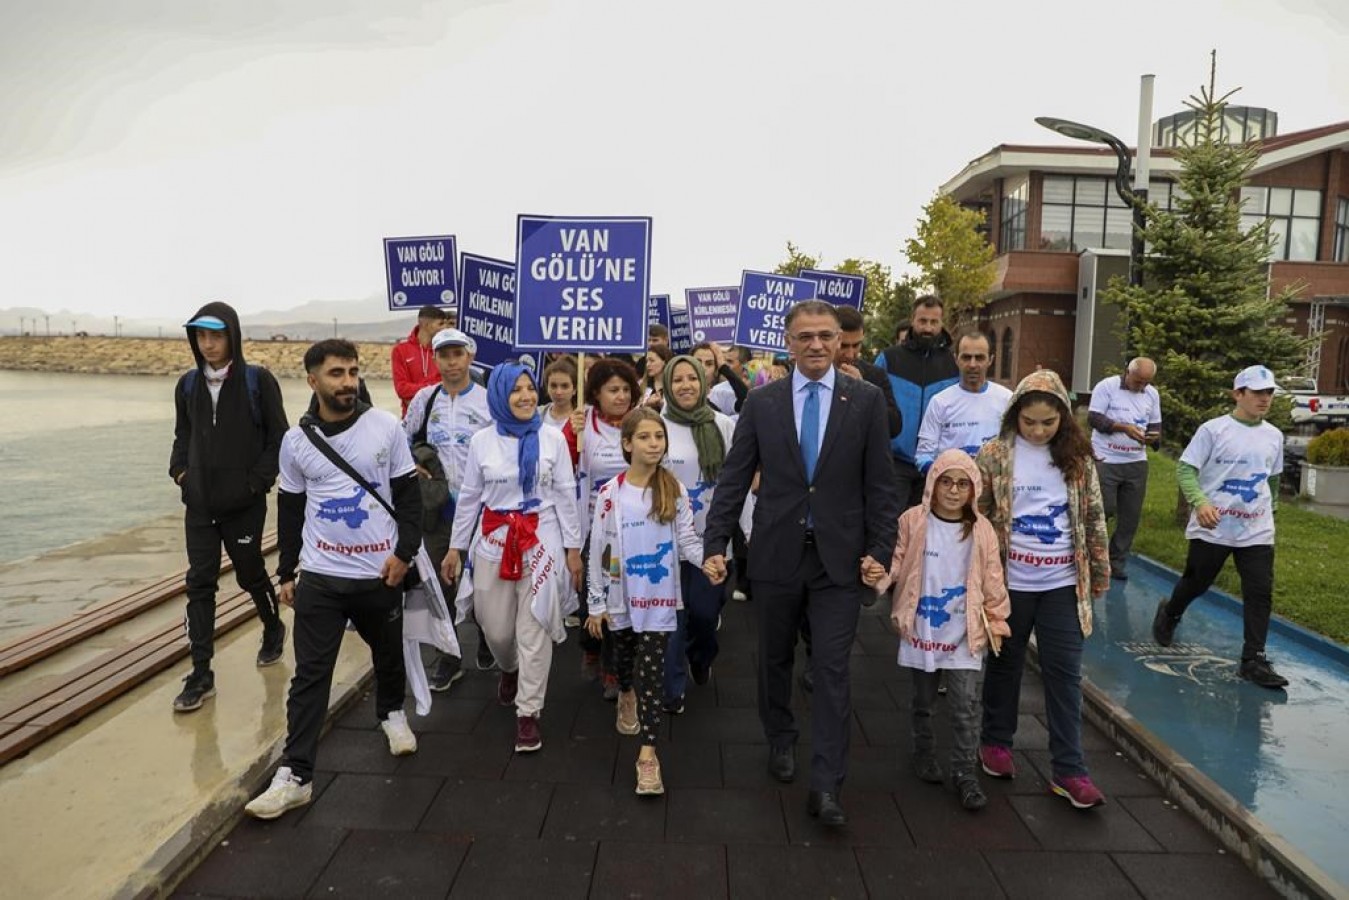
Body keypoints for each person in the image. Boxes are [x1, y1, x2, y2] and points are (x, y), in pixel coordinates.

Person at [702, 300, 900, 827]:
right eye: (805, 336)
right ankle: (780, 737)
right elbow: (735, 475)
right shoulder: (763, 403)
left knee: (833, 671)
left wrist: (881, 552)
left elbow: (882, 486)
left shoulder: (866, 400)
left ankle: (827, 784)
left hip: (840, 560)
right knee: (774, 659)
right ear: (787, 342)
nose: (816, 345)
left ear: (840, 341)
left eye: (826, 336)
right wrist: (714, 544)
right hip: (775, 553)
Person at [245, 339, 422, 820]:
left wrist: (404, 554)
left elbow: (409, 497)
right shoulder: (296, 442)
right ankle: (296, 775)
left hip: (378, 573)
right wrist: (286, 571)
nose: (347, 382)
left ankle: (390, 713)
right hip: (321, 577)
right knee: (310, 676)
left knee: (388, 654)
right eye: (336, 373)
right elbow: (291, 507)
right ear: (312, 381)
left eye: (353, 371)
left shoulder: (385, 427)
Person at [975, 369, 1110, 810]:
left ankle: (1070, 770)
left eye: (1047, 423)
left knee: (1065, 674)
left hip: (1062, 585)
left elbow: (1092, 516)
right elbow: (978, 514)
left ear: (1063, 420)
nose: (1036, 430)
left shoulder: (1077, 458)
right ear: (1015, 414)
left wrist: (1099, 569)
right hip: (1011, 583)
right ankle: (995, 741)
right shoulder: (995, 454)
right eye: (1028, 421)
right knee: (1004, 664)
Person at [443, 362, 584, 751]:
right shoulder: (481, 442)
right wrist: (455, 547)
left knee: (534, 626)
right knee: (497, 630)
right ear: (499, 396)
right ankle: (508, 667)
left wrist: (573, 551)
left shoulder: (553, 439)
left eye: (529, 388)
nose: (526, 396)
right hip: (494, 540)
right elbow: (470, 497)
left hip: (542, 538)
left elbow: (566, 496)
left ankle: (528, 713)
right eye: (516, 389)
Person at [169, 302, 288, 713]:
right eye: (201, 336)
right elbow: (181, 436)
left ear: (232, 336)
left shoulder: (258, 382)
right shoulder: (187, 386)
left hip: (244, 505)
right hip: (200, 504)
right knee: (199, 583)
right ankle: (201, 673)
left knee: (250, 572)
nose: (208, 344)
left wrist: (256, 483)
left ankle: (273, 627)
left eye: (216, 336)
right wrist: (180, 472)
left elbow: (279, 439)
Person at [875, 449, 1010, 811]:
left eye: (963, 484)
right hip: (924, 629)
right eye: (946, 482)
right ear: (932, 484)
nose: (953, 491)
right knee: (924, 701)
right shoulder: (912, 522)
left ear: (974, 489)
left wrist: (997, 619)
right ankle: (924, 751)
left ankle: (965, 772)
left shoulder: (982, 531)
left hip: (963, 632)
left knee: (965, 706)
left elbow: (994, 579)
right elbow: (896, 562)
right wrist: (875, 579)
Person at [587, 408, 704, 795]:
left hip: (659, 600)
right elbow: (597, 551)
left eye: (659, 437)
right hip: (621, 598)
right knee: (625, 661)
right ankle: (625, 691)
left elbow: (687, 543)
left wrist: (711, 562)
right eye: (645, 437)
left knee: (652, 675)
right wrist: (595, 602)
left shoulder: (675, 490)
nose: (654, 444)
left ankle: (648, 756)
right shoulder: (610, 494)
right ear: (627, 444)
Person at [1151, 365, 1288, 689]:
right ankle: (1170, 612)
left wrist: (1273, 510)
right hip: (1213, 525)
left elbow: (1274, 478)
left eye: (1269, 393)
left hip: (1256, 529)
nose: (1264, 399)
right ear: (1237, 394)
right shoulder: (1214, 431)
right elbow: (1185, 470)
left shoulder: (1274, 436)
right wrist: (1201, 503)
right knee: (1197, 582)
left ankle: (1253, 659)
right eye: (1257, 393)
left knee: (1259, 592)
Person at [403, 328, 494, 687]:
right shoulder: (425, 399)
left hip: (482, 510)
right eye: (444, 354)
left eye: (457, 354)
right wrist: (413, 465)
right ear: (436, 359)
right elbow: (402, 441)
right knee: (440, 585)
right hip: (438, 510)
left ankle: (487, 638)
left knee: (485, 583)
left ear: (469, 357)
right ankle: (449, 656)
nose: (451, 361)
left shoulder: (488, 401)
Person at [659, 354, 737, 713]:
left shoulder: (723, 425)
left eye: (692, 378)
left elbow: (735, 480)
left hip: (712, 541)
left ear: (703, 382)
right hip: (667, 542)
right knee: (672, 620)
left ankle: (702, 657)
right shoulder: (656, 424)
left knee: (705, 615)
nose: (686, 385)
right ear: (667, 385)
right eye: (678, 380)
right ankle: (672, 688)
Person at [562, 357, 641, 697]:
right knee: (590, 599)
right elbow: (562, 467)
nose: (621, 396)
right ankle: (590, 647)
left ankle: (613, 669)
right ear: (595, 392)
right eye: (613, 390)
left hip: (633, 528)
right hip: (594, 530)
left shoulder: (641, 420)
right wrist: (570, 432)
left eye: (626, 389)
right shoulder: (583, 424)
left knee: (620, 601)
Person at [876, 296, 959, 510]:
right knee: (890, 527)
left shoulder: (953, 364)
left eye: (934, 322)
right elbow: (872, 405)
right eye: (922, 321)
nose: (928, 328)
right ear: (912, 320)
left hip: (936, 464)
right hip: (895, 463)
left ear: (942, 323)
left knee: (926, 531)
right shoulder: (888, 359)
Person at [1088, 358, 1161, 581]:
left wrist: (1153, 438)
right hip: (1106, 458)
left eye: (1146, 383)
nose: (1141, 387)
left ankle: (1116, 562)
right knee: (1104, 508)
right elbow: (1094, 419)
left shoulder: (1152, 394)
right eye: (1138, 381)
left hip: (1136, 461)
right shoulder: (1107, 387)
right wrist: (1123, 428)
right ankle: (1090, 556)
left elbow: (1156, 425)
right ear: (1127, 372)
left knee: (1130, 517)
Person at [916, 332, 1013, 473]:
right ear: (956, 359)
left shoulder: (1007, 399)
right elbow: (923, 456)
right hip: (952, 491)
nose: (972, 364)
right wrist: (946, 475)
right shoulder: (940, 402)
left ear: (991, 360)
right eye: (966, 357)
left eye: (979, 358)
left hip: (992, 491)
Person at [834, 305, 902, 440]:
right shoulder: (815, 373)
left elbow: (894, 426)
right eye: (844, 346)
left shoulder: (875, 375)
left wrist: (862, 391)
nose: (850, 354)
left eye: (856, 345)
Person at [391, 306, 451, 416]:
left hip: (440, 418)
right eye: (441, 324)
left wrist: (415, 393)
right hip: (410, 420)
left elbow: (447, 385)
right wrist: (432, 386)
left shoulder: (443, 351)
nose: (445, 328)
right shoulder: (400, 350)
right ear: (426, 325)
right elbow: (401, 389)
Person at [541, 358, 579, 429]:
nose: (558, 392)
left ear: (574, 389)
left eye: (565, 386)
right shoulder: (537, 415)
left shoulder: (583, 419)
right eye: (553, 386)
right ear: (547, 387)